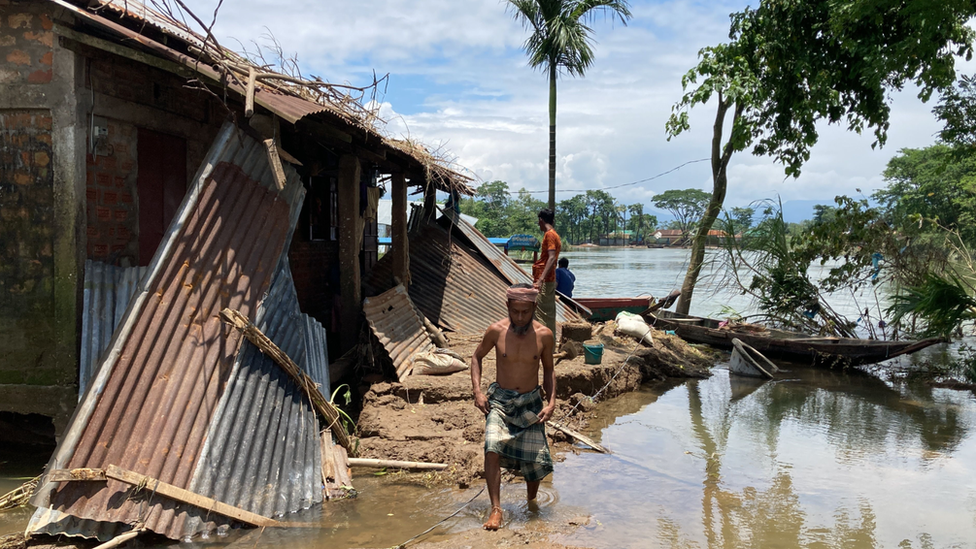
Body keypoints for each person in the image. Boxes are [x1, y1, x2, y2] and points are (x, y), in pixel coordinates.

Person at [470, 283, 556, 531]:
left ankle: (531, 503)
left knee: (535, 461)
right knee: (492, 447)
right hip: (500, 402)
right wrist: (477, 391)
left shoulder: (544, 335)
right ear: (508, 306)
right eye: (515, 311)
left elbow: (549, 370)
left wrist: (551, 402)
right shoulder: (496, 331)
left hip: (531, 401)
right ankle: (496, 510)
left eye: (525, 312)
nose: (520, 317)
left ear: (534, 308)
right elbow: (476, 357)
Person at [532, 208, 561, 335]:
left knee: (540, 314)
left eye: (538, 221)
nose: (538, 224)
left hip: (545, 280)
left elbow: (551, 258)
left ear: (541, 220)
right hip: (549, 279)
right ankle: (549, 345)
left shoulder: (549, 235)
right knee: (547, 314)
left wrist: (540, 279)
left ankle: (543, 344)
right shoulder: (554, 234)